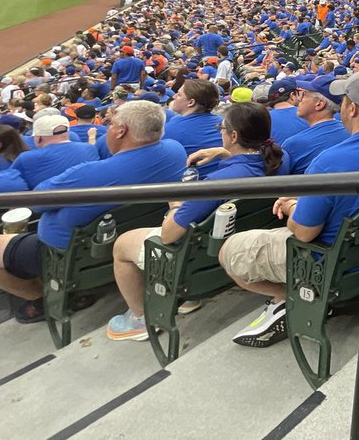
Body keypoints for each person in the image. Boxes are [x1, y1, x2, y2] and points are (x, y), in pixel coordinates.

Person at [220, 71, 359, 347]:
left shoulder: (329, 161)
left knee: (228, 251)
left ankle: (288, 299)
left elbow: (303, 233)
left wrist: (292, 207)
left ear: (351, 108)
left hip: (329, 261)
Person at [0, 102, 186, 324]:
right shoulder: (175, 149)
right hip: (133, 241)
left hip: (69, 256)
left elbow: (35, 202)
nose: (108, 127)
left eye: (111, 123)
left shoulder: (86, 174)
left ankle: (44, 298)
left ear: (121, 130)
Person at [106, 103, 285, 340]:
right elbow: (249, 166)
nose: (220, 132)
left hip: (198, 262)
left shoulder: (216, 182)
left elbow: (169, 236)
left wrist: (176, 205)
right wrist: (224, 153)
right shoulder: (280, 158)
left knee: (122, 245)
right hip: (238, 246)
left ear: (233, 136)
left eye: (222, 128)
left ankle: (140, 319)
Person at [11, 114, 98, 189]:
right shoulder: (90, 149)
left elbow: (8, 182)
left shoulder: (26, 158)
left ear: (38, 138)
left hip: (43, 204)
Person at [162, 79, 224, 170]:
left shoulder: (169, 128)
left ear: (191, 102)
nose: (174, 96)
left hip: (192, 181)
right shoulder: (224, 122)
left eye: (179, 94)